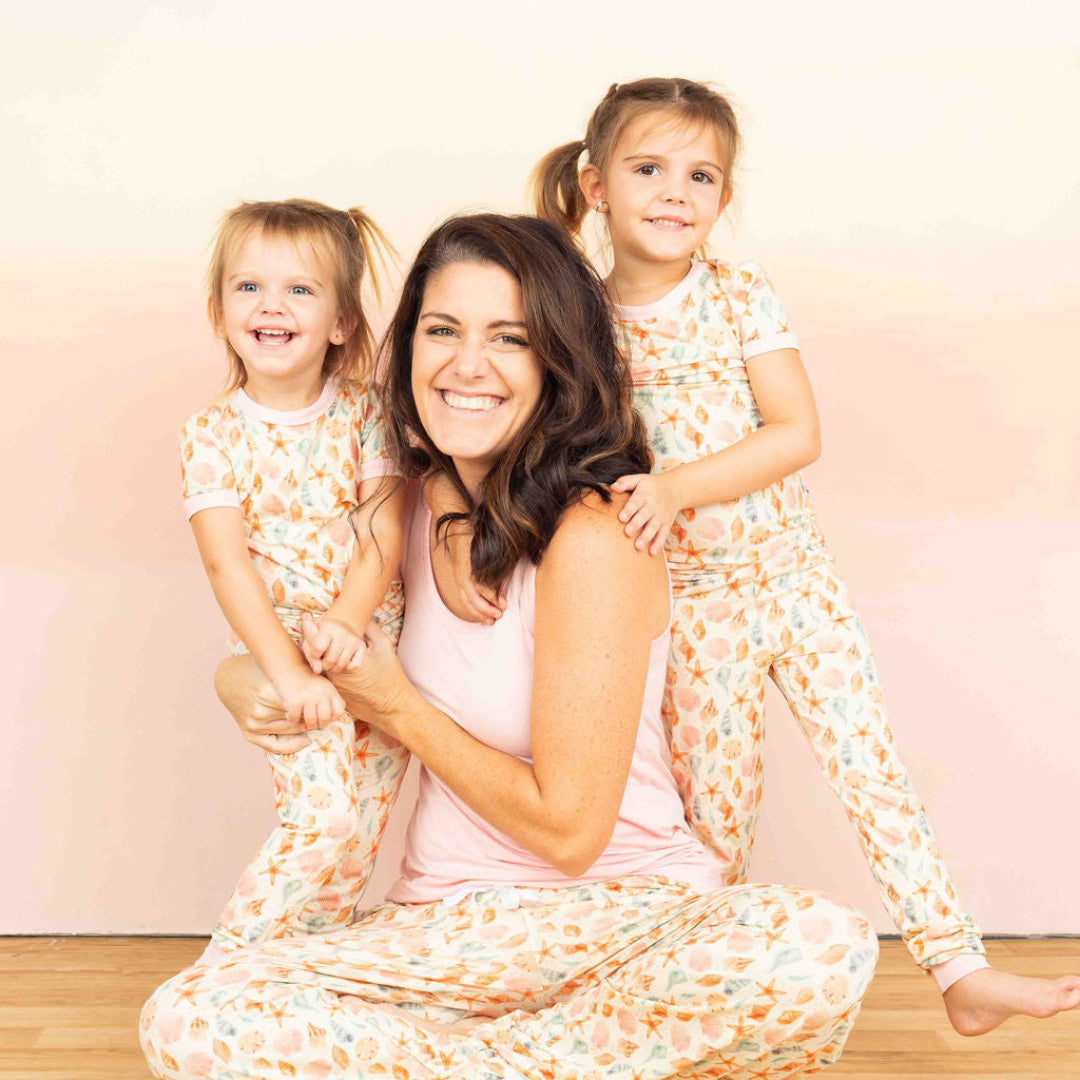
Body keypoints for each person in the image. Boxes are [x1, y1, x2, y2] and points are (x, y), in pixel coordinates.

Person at [141, 213, 881, 1080]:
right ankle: (535, 1066)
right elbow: (296, 640)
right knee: (193, 1015)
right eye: (442, 330)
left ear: (558, 362)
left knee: (818, 945)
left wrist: (395, 707)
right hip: (447, 936)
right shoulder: (397, 507)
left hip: (621, 922)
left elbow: (570, 834)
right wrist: (239, 678)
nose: (466, 366)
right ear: (404, 344)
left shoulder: (597, 536)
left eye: (510, 340)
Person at [524, 76, 1080, 1035]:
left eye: (701, 176)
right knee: (715, 822)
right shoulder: (579, 316)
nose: (674, 192)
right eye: (648, 168)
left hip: (793, 582)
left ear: (724, 200)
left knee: (871, 768)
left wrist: (675, 488)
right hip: (691, 606)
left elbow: (796, 432)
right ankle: (702, 998)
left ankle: (958, 968)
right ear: (595, 184)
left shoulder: (740, 293)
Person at [178, 198, 409, 960]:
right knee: (324, 820)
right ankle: (222, 973)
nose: (271, 305)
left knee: (360, 837)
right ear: (219, 311)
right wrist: (287, 673)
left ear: (341, 321)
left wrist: (348, 624)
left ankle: (299, 979)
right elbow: (226, 564)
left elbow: (383, 529)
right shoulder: (212, 433)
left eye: (299, 290)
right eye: (249, 288)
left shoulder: (367, 412)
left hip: (373, 646)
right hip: (289, 662)